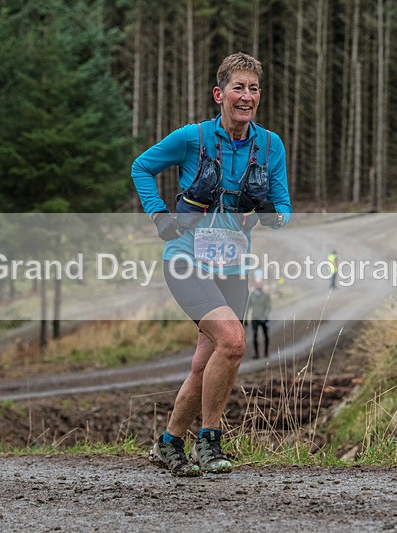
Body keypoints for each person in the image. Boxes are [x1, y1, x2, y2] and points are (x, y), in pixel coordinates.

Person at [131, 52, 292, 477]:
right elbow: (141, 167)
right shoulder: (192, 138)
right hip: (186, 259)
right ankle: (210, 441)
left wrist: (264, 212)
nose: (247, 96)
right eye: (238, 87)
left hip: (233, 265)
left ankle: (168, 443)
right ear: (219, 94)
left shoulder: (270, 145)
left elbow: (284, 211)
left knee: (208, 364)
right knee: (235, 341)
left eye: (254, 88)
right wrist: (159, 215)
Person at [245, 279, 271, 359]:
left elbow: (268, 307)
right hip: (255, 318)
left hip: (264, 319)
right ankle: (256, 353)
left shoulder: (266, 295)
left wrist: (264, 316)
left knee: (266, 335)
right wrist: (245, 318)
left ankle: (266, 352)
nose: (259, 285)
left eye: (260, 284)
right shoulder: (252, 296)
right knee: (255, 335)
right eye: (257, 284)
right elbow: (248, 308)